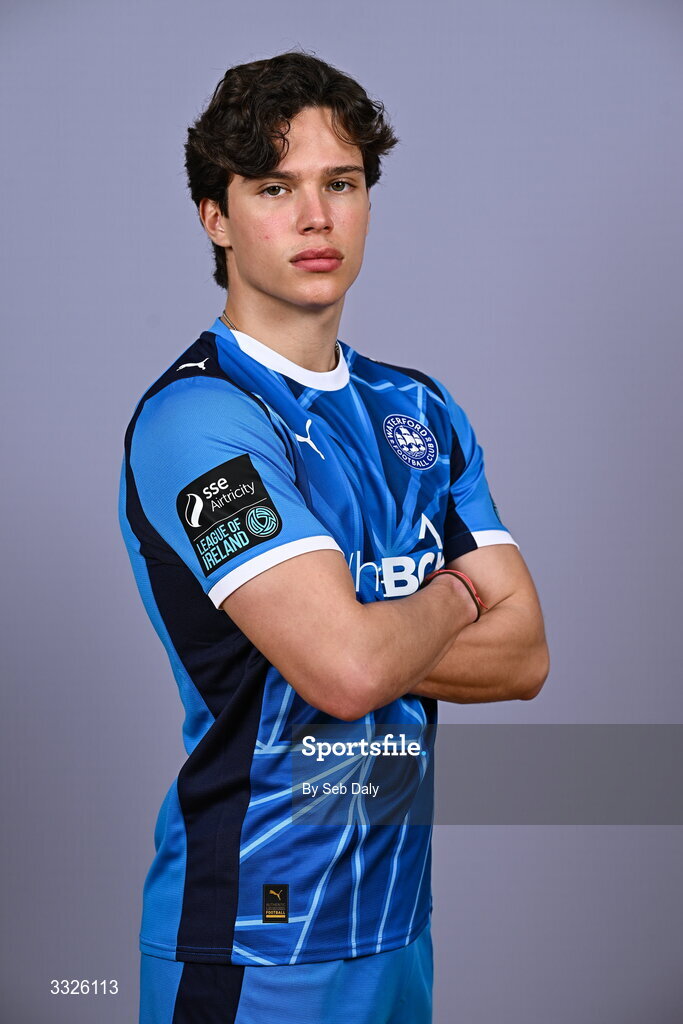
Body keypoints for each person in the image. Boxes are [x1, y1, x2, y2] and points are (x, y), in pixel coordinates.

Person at [118, 49, 549, 1024]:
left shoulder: (417, 409)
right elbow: (345, 675)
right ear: (216, 219)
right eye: (275, 187)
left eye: (340, 184)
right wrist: (454, 593)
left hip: (395, 927)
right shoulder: (200, 420)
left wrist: (357, 627)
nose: (316, 217)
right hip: (258, 942)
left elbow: (525, 657)